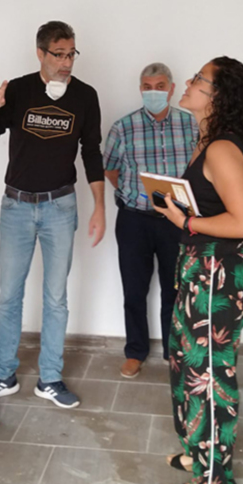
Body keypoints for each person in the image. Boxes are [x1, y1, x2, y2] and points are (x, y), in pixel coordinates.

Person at [0, 21, 105, 409]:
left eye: (71, 54)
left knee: (56, 297)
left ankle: (50, 378)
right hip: (16, 207)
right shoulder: (17, 90)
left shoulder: (85, 96)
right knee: (8, 296)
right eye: (59, 54)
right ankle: (3, 374)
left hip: (59, 207)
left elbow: (92, 152)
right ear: (40, 53)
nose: (67, 62)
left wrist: (99, 206)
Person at [152, 56, 243, 484]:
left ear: (218, 96)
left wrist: (187, 222)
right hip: (199, 270)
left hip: (218, 277)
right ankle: (198, 452)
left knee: (210, 379)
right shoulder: (207, 142)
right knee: (186, 366)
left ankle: (214, 483)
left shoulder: (220, 150)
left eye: (199, 79)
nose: (189, 81)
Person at [103, 63, 198, 379]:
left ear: (171, 89)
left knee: (176, 288)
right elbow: (111, 169)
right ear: (140, 89)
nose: (153, 92)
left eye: (160, 86)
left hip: (177, 221)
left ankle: (174, 352)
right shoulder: (123, 127)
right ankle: (135, 352)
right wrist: (133, 194)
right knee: (134, 289)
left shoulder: (191, 124)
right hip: (134, 220)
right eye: (147, 86)